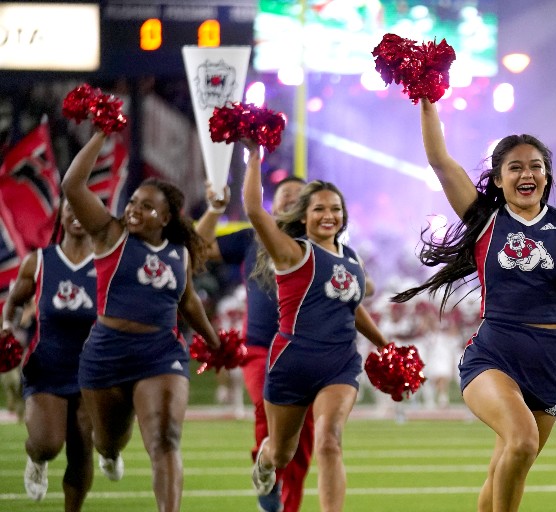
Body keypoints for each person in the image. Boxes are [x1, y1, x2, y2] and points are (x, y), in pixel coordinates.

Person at [393, 100, 556, 512]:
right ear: (497, 179)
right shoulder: (486, 221)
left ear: (547, 176)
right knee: (521, 440)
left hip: (550, 362)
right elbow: (441, 162)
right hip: (494, 353)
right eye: (515, 167)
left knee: (508, 465)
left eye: (535, 166)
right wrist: (426, 99)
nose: (526, 173)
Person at [61, 130, 222, 512]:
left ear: (166, 218)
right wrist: (102, 130)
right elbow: (72, 184)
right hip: (106, 352)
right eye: (133, 202)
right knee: (108, 440)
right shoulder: (109, 232)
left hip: (160, 353)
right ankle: (112, 450)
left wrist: (215, 344)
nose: (134, 209)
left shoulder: (179, 253)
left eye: (147, 207)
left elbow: (189, 302)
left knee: (165, 439)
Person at [239, 139, 389, 512]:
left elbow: (352, 307)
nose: (329, 215)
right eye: (319, 208)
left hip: (339, 363)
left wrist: (385, 345)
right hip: (292, 362)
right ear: (303, 216)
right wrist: (255, 157)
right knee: (282, 453)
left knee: (329, 441)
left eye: (336, 209)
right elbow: (255, 210)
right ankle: (265, 461)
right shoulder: (293, 252)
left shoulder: (351, 258)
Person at [196, 176, 314, 512]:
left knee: (304, 436)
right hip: (261, 345)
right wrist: (213, 210)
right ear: (271, 205)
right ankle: (265, 467)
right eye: (284, 195)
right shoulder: (252, 237)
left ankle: (288, 503)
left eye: (298, 196)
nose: (290, 199)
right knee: (268, 405)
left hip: (307, 350)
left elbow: (350, 275)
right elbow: (200, 250)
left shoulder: (318, 242)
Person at [2, 200, 96, 509]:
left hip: (92, 371)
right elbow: (13, 302)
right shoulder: (39, 262)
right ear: (62, 214)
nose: (76, 214)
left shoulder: (107, 263)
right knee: (47, 444)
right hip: (47, 366)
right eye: (70, 208)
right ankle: (36, 459)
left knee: (82, 447)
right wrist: (6, 328)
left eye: (82, 208)